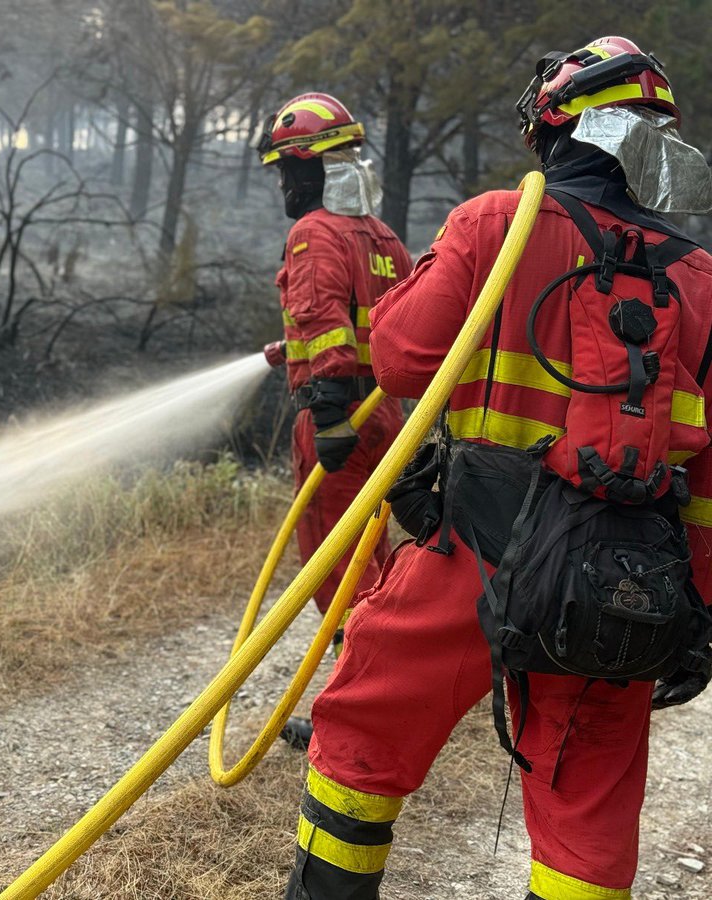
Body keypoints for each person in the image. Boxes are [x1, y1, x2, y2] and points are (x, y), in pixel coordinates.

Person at [285, 36, 712, 900]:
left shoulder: (496, 225)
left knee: (366, 731)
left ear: (553, 128)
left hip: (476, 554)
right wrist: (697, 607)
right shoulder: (702, 279)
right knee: (588, 799)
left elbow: (401, 358)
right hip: (623, 579)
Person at [257, 92, 412, 666]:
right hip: (383, 414)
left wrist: (325, 411)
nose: (284, 184)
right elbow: (374, 322)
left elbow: (322, 317)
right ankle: (383, 668)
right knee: (369, 549)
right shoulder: (383, 236)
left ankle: (361, 685)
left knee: (335, 557)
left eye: (287, 169)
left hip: (338, 416)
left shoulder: (313, 233)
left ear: (311, 167)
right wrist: (292, 351)